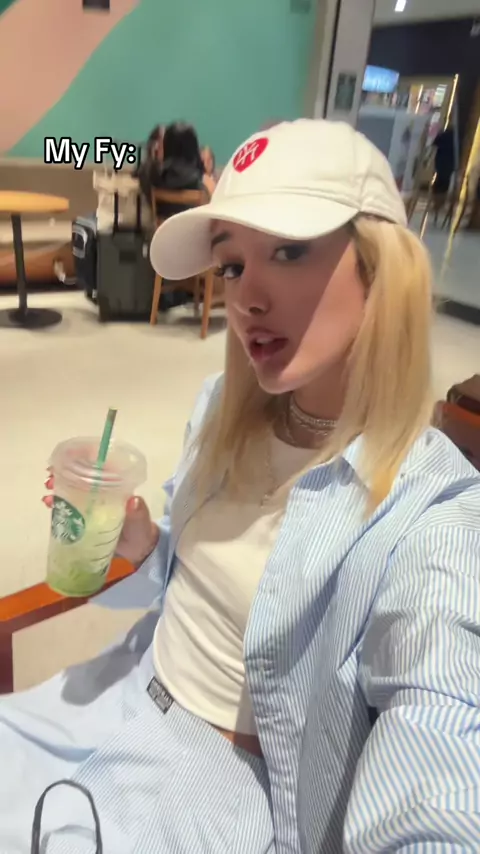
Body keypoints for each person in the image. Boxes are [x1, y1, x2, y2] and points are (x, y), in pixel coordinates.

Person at [1, 119, 480, 853]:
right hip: (115, 692)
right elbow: (188, 593)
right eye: (230, 265)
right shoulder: (222, 408)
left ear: (381, 270)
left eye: (288, 251)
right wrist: (141, 545)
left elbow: (439, 724)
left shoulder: (435, 510)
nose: (247, 297)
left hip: (213, 788)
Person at [431, 124, 455, 223]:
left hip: (440, 163)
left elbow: (434, 144)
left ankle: (436, 204)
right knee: (444, 184)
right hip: (450, 165)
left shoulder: (442, 135)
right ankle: (440, 203)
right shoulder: (457, 139)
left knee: (438, 184)